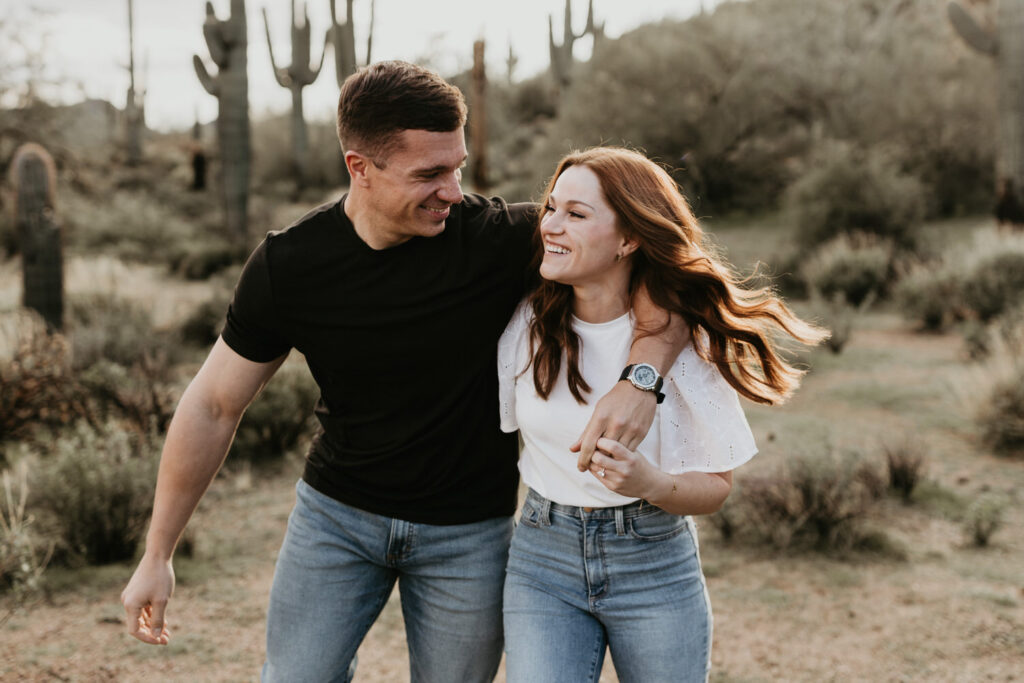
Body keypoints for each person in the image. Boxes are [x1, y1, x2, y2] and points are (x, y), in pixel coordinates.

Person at [120, 62, 686, 682]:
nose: (452, 189)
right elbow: (212, 406)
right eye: (429, 174)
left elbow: (669, 267)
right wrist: (157, 553)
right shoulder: (291, 266)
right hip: (335, 519)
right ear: (359, 167)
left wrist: (641, 380)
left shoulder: (499, 240)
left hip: (468, 533)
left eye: (458, 168)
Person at [497, 147, 827, 682]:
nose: (550, 226)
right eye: (550, 208)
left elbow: (717, 487)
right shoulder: (525, 320)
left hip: (652, 560)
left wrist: (650, 482)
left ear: (629, 239)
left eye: (576, 215)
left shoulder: (683, 344)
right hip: (543, 557)